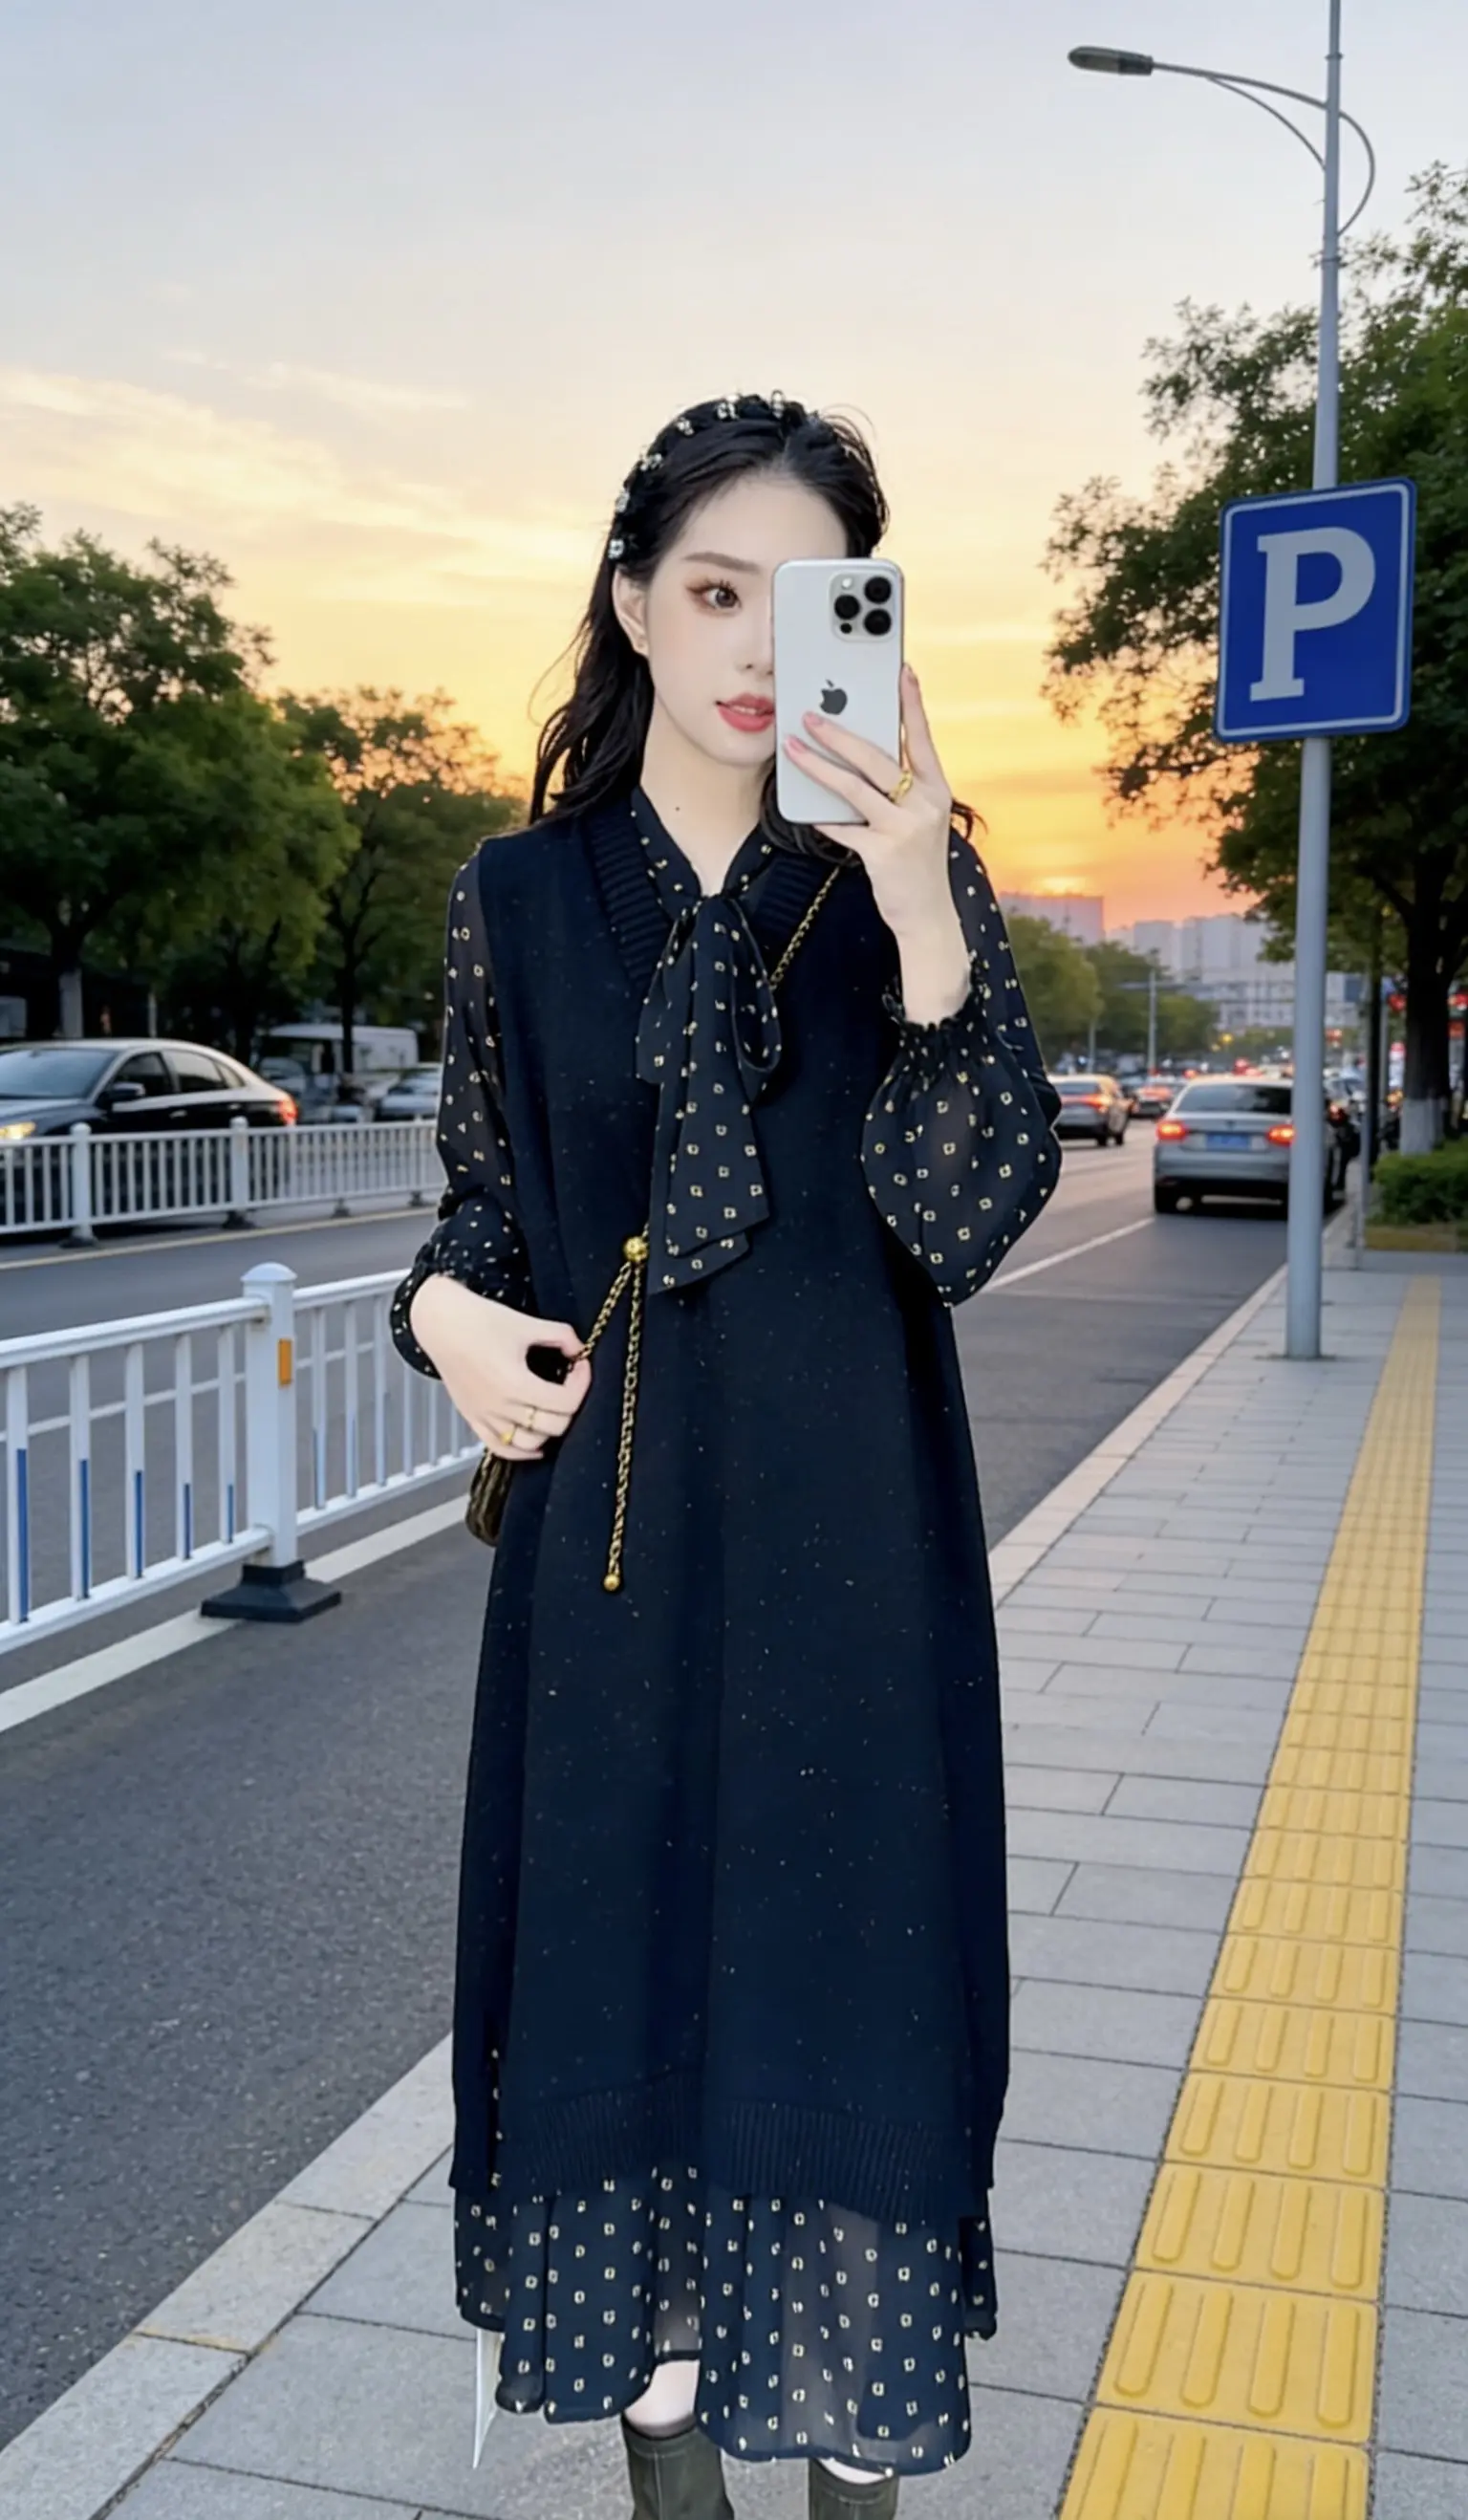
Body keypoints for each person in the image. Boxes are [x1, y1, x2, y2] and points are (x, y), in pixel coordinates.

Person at [389, 389, 1062, 2519]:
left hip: (858, 1580)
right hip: (605, 1593)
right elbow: (481, 1221)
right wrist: (444, 1323)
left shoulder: (910, 885)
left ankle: (855, 2473)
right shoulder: (518, 897)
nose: (760, 644)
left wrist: (922, 906)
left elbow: (967, 1216)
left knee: (848, 2043)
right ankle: (665, 2469)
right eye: (712, 591)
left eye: (811, 597)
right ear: (631, 605)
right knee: (626, 2033)